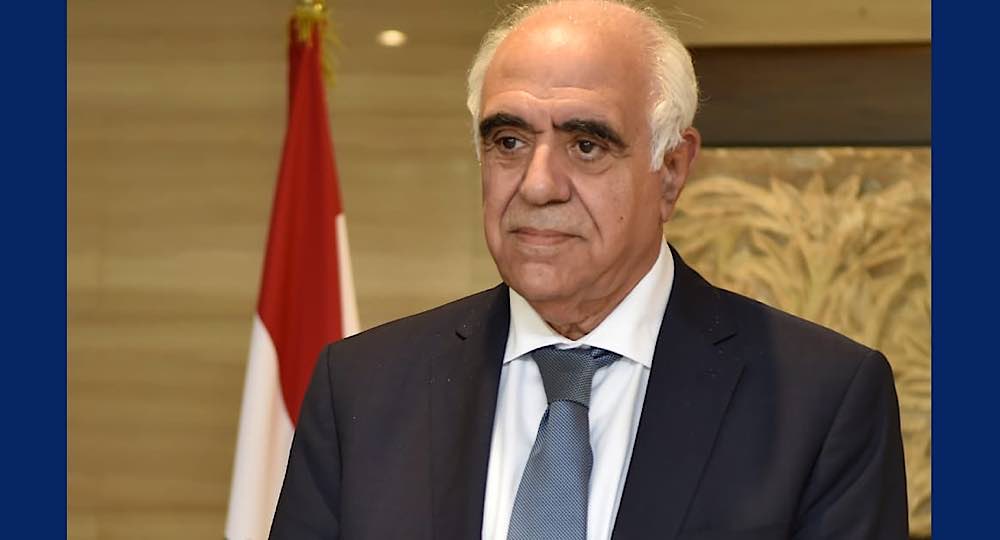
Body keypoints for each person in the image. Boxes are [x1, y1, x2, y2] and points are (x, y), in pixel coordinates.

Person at [269, 1, 908, 538]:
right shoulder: (363, 388)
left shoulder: (821, 402)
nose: (538, 185)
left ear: (671, 170)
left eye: (586, 145)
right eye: (509, 142)